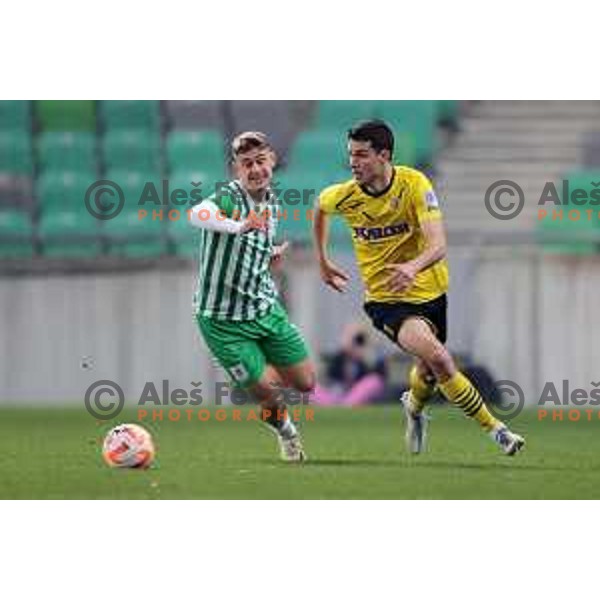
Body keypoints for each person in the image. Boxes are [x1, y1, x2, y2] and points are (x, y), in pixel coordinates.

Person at [313, 119, 525, 455]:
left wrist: (412, 267)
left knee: (427, 373)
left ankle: (413, 407)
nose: (353, 162)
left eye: (362, 155)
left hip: (431, 292)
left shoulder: (414, 184)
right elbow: (320, 208)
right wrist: (322, 261)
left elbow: (439, 244)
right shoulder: (345, 196)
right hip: (387, 301)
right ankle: (497, 431)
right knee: (441, 358)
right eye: (351, 154)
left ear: (385, 155)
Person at [189, 131, 315, 462]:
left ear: (271, 161)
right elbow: (196, 214)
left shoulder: (272, 202)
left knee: (306, 383)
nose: (255, 169)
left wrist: (269, 255)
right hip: (222, 322)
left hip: (263, 309)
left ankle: (258, 364)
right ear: (236, 169)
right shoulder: (229, 197)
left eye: (260, 161)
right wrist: (237, 226)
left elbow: (252, 247)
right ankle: (286, 432)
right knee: (268, 394)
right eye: (247, 164)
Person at [313, 323, 386, 406]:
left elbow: (379, 377)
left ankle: (344, 406)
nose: (356, 342)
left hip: (358, 394)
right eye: (355, 338)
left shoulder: (370, 355)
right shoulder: (340, 356)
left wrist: (366, 355)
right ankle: (338, 406)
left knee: (373, 381)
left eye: (359, 339)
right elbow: (330, 377)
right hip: (338, 393)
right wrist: (347, 348)